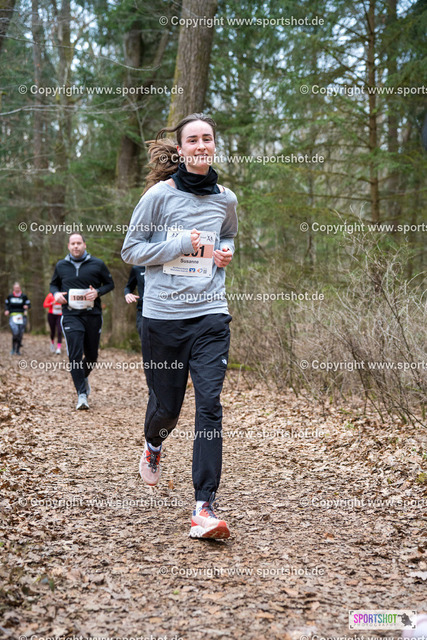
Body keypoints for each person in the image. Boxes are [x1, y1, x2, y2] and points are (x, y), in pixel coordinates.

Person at [122, 113, 238, 539]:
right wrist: (177, 244)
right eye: (193, 139)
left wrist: (224, 252)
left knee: (209, 406)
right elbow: (131, 250)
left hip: (210, 314)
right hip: (163, 317)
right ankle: (154, 444)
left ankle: (204, 506)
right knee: (167, 409)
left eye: (207, 138)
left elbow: (228, 235)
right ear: (181, 148)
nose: (201, 145)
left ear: (214, 145)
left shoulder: (226, 198)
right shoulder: (158, 196)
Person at [50, 233, 114, 410]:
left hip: (93, 315)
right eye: (73, 243)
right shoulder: (61, 265)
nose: (76, 246)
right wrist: (55, 294)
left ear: (84, 245)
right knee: (75, 355)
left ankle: (82, 376)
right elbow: (53, 284)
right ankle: (82, 395)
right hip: (71, 315)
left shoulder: (97, 264)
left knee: (92, 356)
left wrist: (98, 292)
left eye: (79, 243)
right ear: (68, 246)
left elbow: (110, 284)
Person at [4, 282, 31, 355]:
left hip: (22, 316)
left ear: (20, 288)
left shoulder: (24, 296)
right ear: (13, 288)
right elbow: (6, 305)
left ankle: (18, 350)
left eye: (18, 288)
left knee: (20, 334)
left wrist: (27, 306)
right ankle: (13, 348)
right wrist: (7, 310)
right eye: (16, 288)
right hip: (13, 316)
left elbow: (29, 304)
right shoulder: (10, 296)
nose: (17, 289)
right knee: (15, 332)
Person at [124, 265, 145, 343]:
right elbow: (129, 287)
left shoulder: (165, 266)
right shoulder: (137, 268)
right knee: (145, 342)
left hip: (163, 312)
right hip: (142, 311)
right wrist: (127, 294)